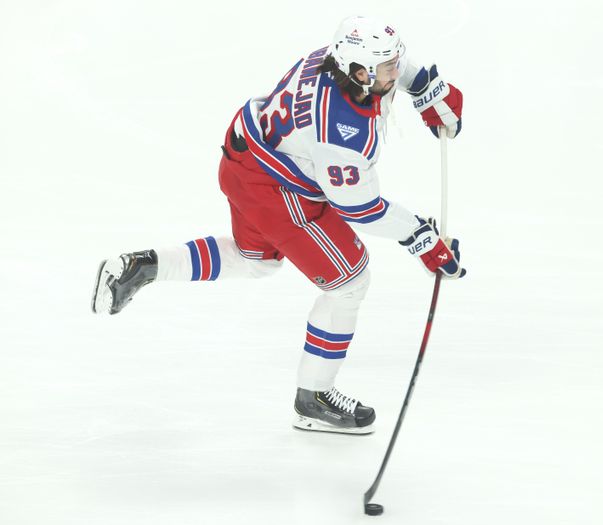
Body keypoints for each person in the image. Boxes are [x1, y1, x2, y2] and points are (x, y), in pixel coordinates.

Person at [91, 15, 466, 435]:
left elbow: (389, 67)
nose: (395, 72)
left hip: (247, 162)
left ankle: (143, 266)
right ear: (360, 73)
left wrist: (426, 88)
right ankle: (314, 397)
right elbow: (360, 208)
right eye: (388, 68)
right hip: (274, 188)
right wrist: (420, 237)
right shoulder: (342, 134)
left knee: (255, 260)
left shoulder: (335, 59)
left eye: (395, 63)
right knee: (349, 281)